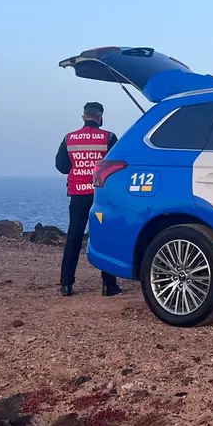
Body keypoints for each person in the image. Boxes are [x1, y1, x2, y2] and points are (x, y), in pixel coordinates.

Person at [55, 101, 122, 297]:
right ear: (100, 117)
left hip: (77, 194)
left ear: (84, 117)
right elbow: (116, 165)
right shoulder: (108, 137)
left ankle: (66, 284)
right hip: (100, 194)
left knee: (74, 237)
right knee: (103, 236)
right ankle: (108, 285)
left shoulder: (70, 138)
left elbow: (61, 166)